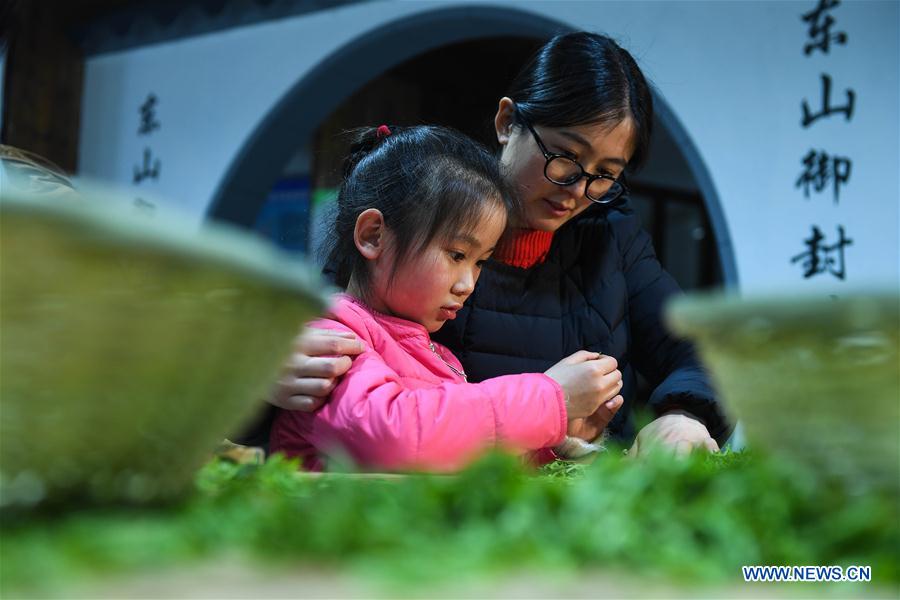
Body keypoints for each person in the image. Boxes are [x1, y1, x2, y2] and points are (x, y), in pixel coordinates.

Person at [271, 32, 730, 457]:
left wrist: (683, 417)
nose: (576, 189)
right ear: (507, 121)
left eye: (605, 174)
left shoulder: (613, 235)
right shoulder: (412, 226)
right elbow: (364, 412)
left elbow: (703, 351)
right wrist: (267, 373)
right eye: (565, 157)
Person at [270, 125, 625, 471]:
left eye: (480, 261)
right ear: (373, 235)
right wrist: (551, 399)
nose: (468, 284)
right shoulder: (334, 339)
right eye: (457, 255)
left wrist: (556, 435)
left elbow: (457, 451)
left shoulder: (439, 358)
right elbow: (398, 435)